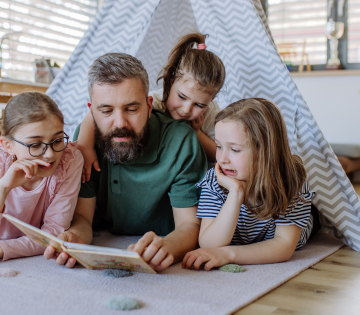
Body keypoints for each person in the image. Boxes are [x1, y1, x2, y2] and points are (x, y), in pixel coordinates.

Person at [44, 53, 208, 272]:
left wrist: (168, 245)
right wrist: (75, 237)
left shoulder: (181, 141)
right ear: (91, 111)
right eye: (106, 111)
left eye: (132, 109)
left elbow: (189, 225)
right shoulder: (84, 144)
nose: (120, 123)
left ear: (149, 106)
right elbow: (83, 216)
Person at [0, 92, 83, 266]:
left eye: (57, 140)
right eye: (35, 145)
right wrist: (2, 187)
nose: (50, 154)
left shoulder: (69, 160)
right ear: (7, 145)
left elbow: (53, 234)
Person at [182, 98, 315, 270]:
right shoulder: (215, 179)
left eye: (235, 150)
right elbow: (208, 244)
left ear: (265, 151)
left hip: (297, 228)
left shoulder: (291, 178)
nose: (222, 159)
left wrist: (228, 254)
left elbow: (283, 245)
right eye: (219, 146)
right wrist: (236, 193)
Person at [77, 32, 225, 182]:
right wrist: (85, 146)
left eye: (199, 105)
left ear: (211, 100)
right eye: (181, 97)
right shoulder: (153, 101)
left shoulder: (211, 112)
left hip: (193, 178)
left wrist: (197, 132)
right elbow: (95, 113)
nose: (186, 109)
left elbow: (220, 155)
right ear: (171, 81)